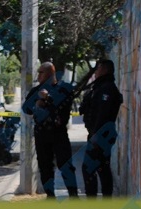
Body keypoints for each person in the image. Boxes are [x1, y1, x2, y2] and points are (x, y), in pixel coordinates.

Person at [22, 62, 78, 198]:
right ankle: (50, 196)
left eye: (41, 72)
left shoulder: (63, 88)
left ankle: (73, 195)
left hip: (58, 134)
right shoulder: (36, 91)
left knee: (65, 165)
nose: (39, 75)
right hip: (42, 134)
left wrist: (48, 98)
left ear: (50, 73)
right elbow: (26, 109)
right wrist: (37, 103)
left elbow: (64, 103)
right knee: (45, 166)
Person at [79, 59, 123, 197]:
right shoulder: (100, 86)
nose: (96, 71)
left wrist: (96, 137)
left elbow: (103, 115)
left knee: (89, 168)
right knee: (102, 168)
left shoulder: (107, 88)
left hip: (100, 137)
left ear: (104, 69)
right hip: (98, 136)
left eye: (98, 68)